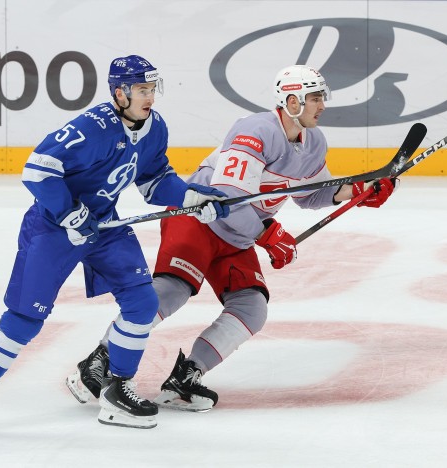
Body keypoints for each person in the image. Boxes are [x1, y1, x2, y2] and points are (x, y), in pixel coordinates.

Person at [66, 65, 396, 412]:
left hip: (238, 235)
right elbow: (226, 196)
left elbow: (311, 194)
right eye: (315, 98)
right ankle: (99, 359)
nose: (322, 105)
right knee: (172, 291)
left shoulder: (313, 143)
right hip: (198, 220)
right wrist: (268, 234)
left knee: (252, 308)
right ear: (293, 101)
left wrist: (357, 191)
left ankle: (185, 378)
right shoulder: (256, 130)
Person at [0, 54, 230, 438]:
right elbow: (37, 170)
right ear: (120, 93)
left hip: (104, 227)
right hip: (52, 229)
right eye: (141, 90)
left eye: (152, 89)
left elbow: (154, 182)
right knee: (24, 320)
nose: (149, 97)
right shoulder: (92, 128)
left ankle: (117, 389)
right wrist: (69, 213)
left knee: (142, 303)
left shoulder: (155, 127)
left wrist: (192, 197)